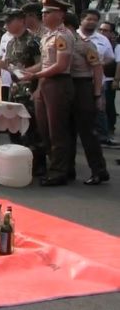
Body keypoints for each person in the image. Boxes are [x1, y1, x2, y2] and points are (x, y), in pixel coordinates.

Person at [0, 8, 45, 175]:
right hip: (15, 91)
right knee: (14, 127)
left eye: (9, 21)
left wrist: (30, 76)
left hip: (30, 90)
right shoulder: (10, 42)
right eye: (5, 22)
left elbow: (43, 64)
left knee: (32, 129)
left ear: (21, 20)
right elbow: (7, 65)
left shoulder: (34, 40)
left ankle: (38, 163)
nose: (6, 25)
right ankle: (19, 161)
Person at [20, 0, 76, 187]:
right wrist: (29, 72)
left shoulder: (63, 35)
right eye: (43, 13)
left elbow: (61, 65)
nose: (43, 16)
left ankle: (60, 170)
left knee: (57, 130)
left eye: (48, 12)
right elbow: (44, 63)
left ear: (60, 14)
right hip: (46, 82)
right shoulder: (47, 36)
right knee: (44, 129)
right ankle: (59, 165)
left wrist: (35, 76)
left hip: (59, 83)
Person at [62, 12, 109, 185]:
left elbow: (97, 69)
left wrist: (97, 94)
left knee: (87, 133)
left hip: (83, 86)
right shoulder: (62, 43)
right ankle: (68, 168)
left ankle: (98, 170)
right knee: (68, 131)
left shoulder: (84, 45)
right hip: (67, 86)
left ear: (69, 27)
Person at [78, 9, 115, 145]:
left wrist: (99, 65)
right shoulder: (73, 36)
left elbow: (110, 58)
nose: (92, 22)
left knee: (99, 108)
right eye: (89, 19)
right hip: (78, 80)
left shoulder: (102, 39)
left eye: (94, 20)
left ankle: (101, 136)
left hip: (98, 80)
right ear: (81, 20)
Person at [100, 22, 118, 133]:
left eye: (106, 30)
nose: (102, 32)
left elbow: (118, 63)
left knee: (108, 104)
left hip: (109, 79)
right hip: (97, 78)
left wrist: (116, 79)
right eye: (101, 30)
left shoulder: (116, 46)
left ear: (112, 33)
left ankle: (110, 125)